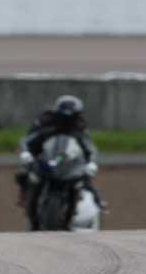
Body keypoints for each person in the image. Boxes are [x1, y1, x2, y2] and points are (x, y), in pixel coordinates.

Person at [14, 95, 101, 230]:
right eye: (63, 116)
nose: (67, 121)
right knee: (28, 177)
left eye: (71, 117)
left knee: (83, 182)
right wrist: (26, 153)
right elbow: (27, 139)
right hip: (43, 160)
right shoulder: (45, 121)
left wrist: (92, 162)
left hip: (69, 164)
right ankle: (29, 206)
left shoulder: (80, 126)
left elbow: (89, 147)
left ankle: (93, 204)